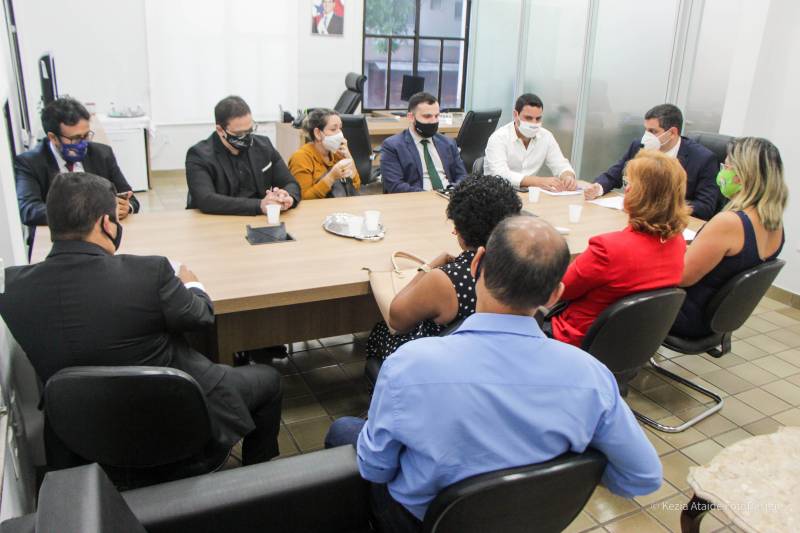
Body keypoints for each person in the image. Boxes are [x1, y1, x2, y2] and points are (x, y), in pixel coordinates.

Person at [325, 216, 662, 531]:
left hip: (421, 522)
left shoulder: (409, 364)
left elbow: (376, 468)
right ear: (555, 294)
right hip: (529, 521)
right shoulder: (592, 377)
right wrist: (563, 478)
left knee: (344, 430)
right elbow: (642, 476)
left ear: (476, 264)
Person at [0, 173, 283, 467]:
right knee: (270, 380)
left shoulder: (14, 290)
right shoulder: (150, 272)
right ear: (106, 223)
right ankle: (259, 480)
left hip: (84, 434)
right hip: (175, 418)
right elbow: (200, 316)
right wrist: (192, 284)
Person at [366, 175, 522, 361]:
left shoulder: (446, 279)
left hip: (440, 361)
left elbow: (396, 319)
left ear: (459, 228)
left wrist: (427, 268)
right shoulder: (521, 266)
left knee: (381, 331)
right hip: (497, 356)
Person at [550, 150, 688, 349]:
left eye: (630, 184)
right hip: (632, 343)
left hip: (578, 340)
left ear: (641, 194)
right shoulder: (678, 242)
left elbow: (560, 290)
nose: (627, 189)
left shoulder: (609, 249)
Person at [671, 137, 787, 338]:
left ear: (742, 175)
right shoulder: (775, 224)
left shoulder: (729, 223)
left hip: (686, 315)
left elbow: (682, 277)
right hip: (716, 319)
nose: (722, 172)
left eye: (726, 166)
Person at [14, 97, 139, 231]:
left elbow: (130, 198)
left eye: (86, 136)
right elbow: (28, 210)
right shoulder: (30, 162)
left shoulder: (102, 154)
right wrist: (88, 213)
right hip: (58, 234)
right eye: (75, 138)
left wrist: (127, 207)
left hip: (101, 233)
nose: (83, 143)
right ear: (53, 138)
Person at [583, 104, 719, 220]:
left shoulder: (703, 159)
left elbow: (705, 207)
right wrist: (598, 188)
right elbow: (614, 175)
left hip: (673, 225)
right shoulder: (639, 146)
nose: (646, 136)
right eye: (646, 130)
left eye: (653, 131)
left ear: (672, 133)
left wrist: (658, 206)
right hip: (636, 219)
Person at [185, 95, 301, 215]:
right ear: (220, 130)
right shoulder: (199, 155)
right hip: (220, 220)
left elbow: (291, 183)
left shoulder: (264, 146)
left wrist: (287, 196)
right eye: (239, 134)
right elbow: (206, 200)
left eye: (250, 130)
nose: (247, 137)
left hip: (260, 220)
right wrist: (259, 205)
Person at [484, 93, 577, 192]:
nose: (534, 123)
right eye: (528, 118)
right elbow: (500, 174)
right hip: (497, 193)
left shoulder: (546, 136)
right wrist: (538, 181)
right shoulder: (498, 138)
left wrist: (568, 177)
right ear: (515, 115)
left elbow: (561, 165)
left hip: (528, 194)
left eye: (538, 118)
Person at [381, 92, 468, 193]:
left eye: (436, 116)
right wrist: (430, 195)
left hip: (449, 196)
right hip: (416, 198)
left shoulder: (448, 143)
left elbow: (462, 176)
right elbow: (395, 186)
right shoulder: (393, 146)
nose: (433, 121)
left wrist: (452, 191)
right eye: (427, 116)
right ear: (411, 117)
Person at [288, 108, 360, 199]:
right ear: (318, 133)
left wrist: (349, 159)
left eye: (340, 128)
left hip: (340, 205)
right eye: (333, 129)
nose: (340, 134)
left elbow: (356, 187)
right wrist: (331, 177)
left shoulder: (337, 152)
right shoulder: (301, 158)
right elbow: (303, 199)